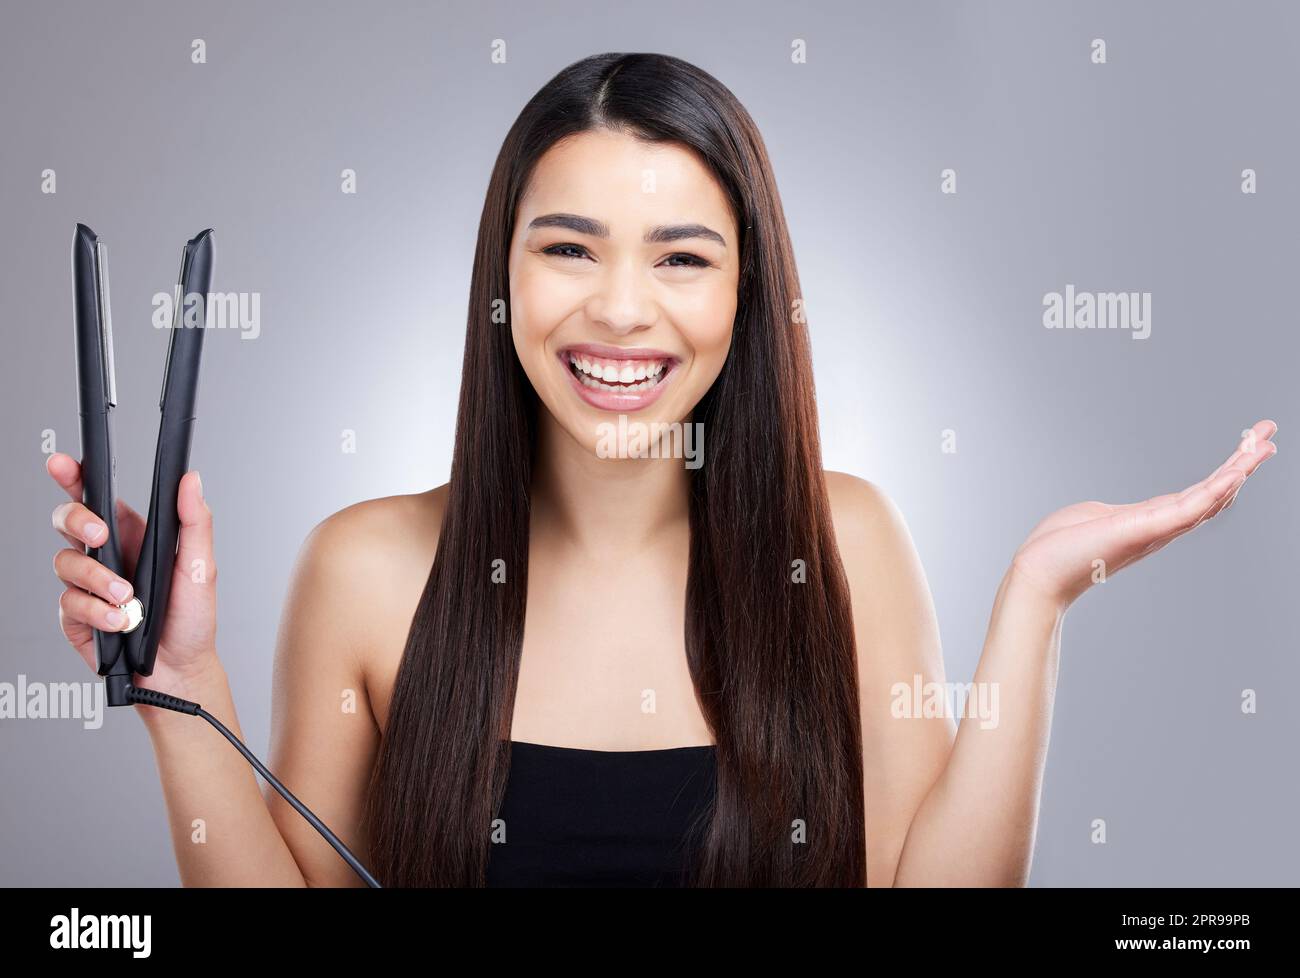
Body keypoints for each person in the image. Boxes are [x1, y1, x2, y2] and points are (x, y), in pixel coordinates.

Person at [46, 52, 1277, 887]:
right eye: (569, 248)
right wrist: (182, 682)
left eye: (681, 259)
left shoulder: (842, 543)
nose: (620, 311)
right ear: (502, 280)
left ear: (748, 295)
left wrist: (1036, 602)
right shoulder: (367, 567)